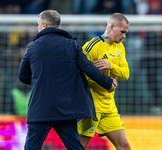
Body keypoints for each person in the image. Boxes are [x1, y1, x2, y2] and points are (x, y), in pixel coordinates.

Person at [18, 10, 117, 150]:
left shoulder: (33, 47)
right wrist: (107, 82)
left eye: (38, 25)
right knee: (75, 146)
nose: (38, 28)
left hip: (40, 108)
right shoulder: (71, 45)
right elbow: (88, 68)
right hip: (65, 108)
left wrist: (41, 80)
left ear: (44, 25)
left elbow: (23, 76)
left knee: (32, 147)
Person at [77, 13, 130, 150]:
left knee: (124, 146)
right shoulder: (91, 47)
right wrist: (105, 81)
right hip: (91, 106)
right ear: (111, 26)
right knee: (80, 146)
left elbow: (126, 74)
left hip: (109, 106)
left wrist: (110, 65)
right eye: (122, 32)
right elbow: (80, 75)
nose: (124, 36)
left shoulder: (120, 47)